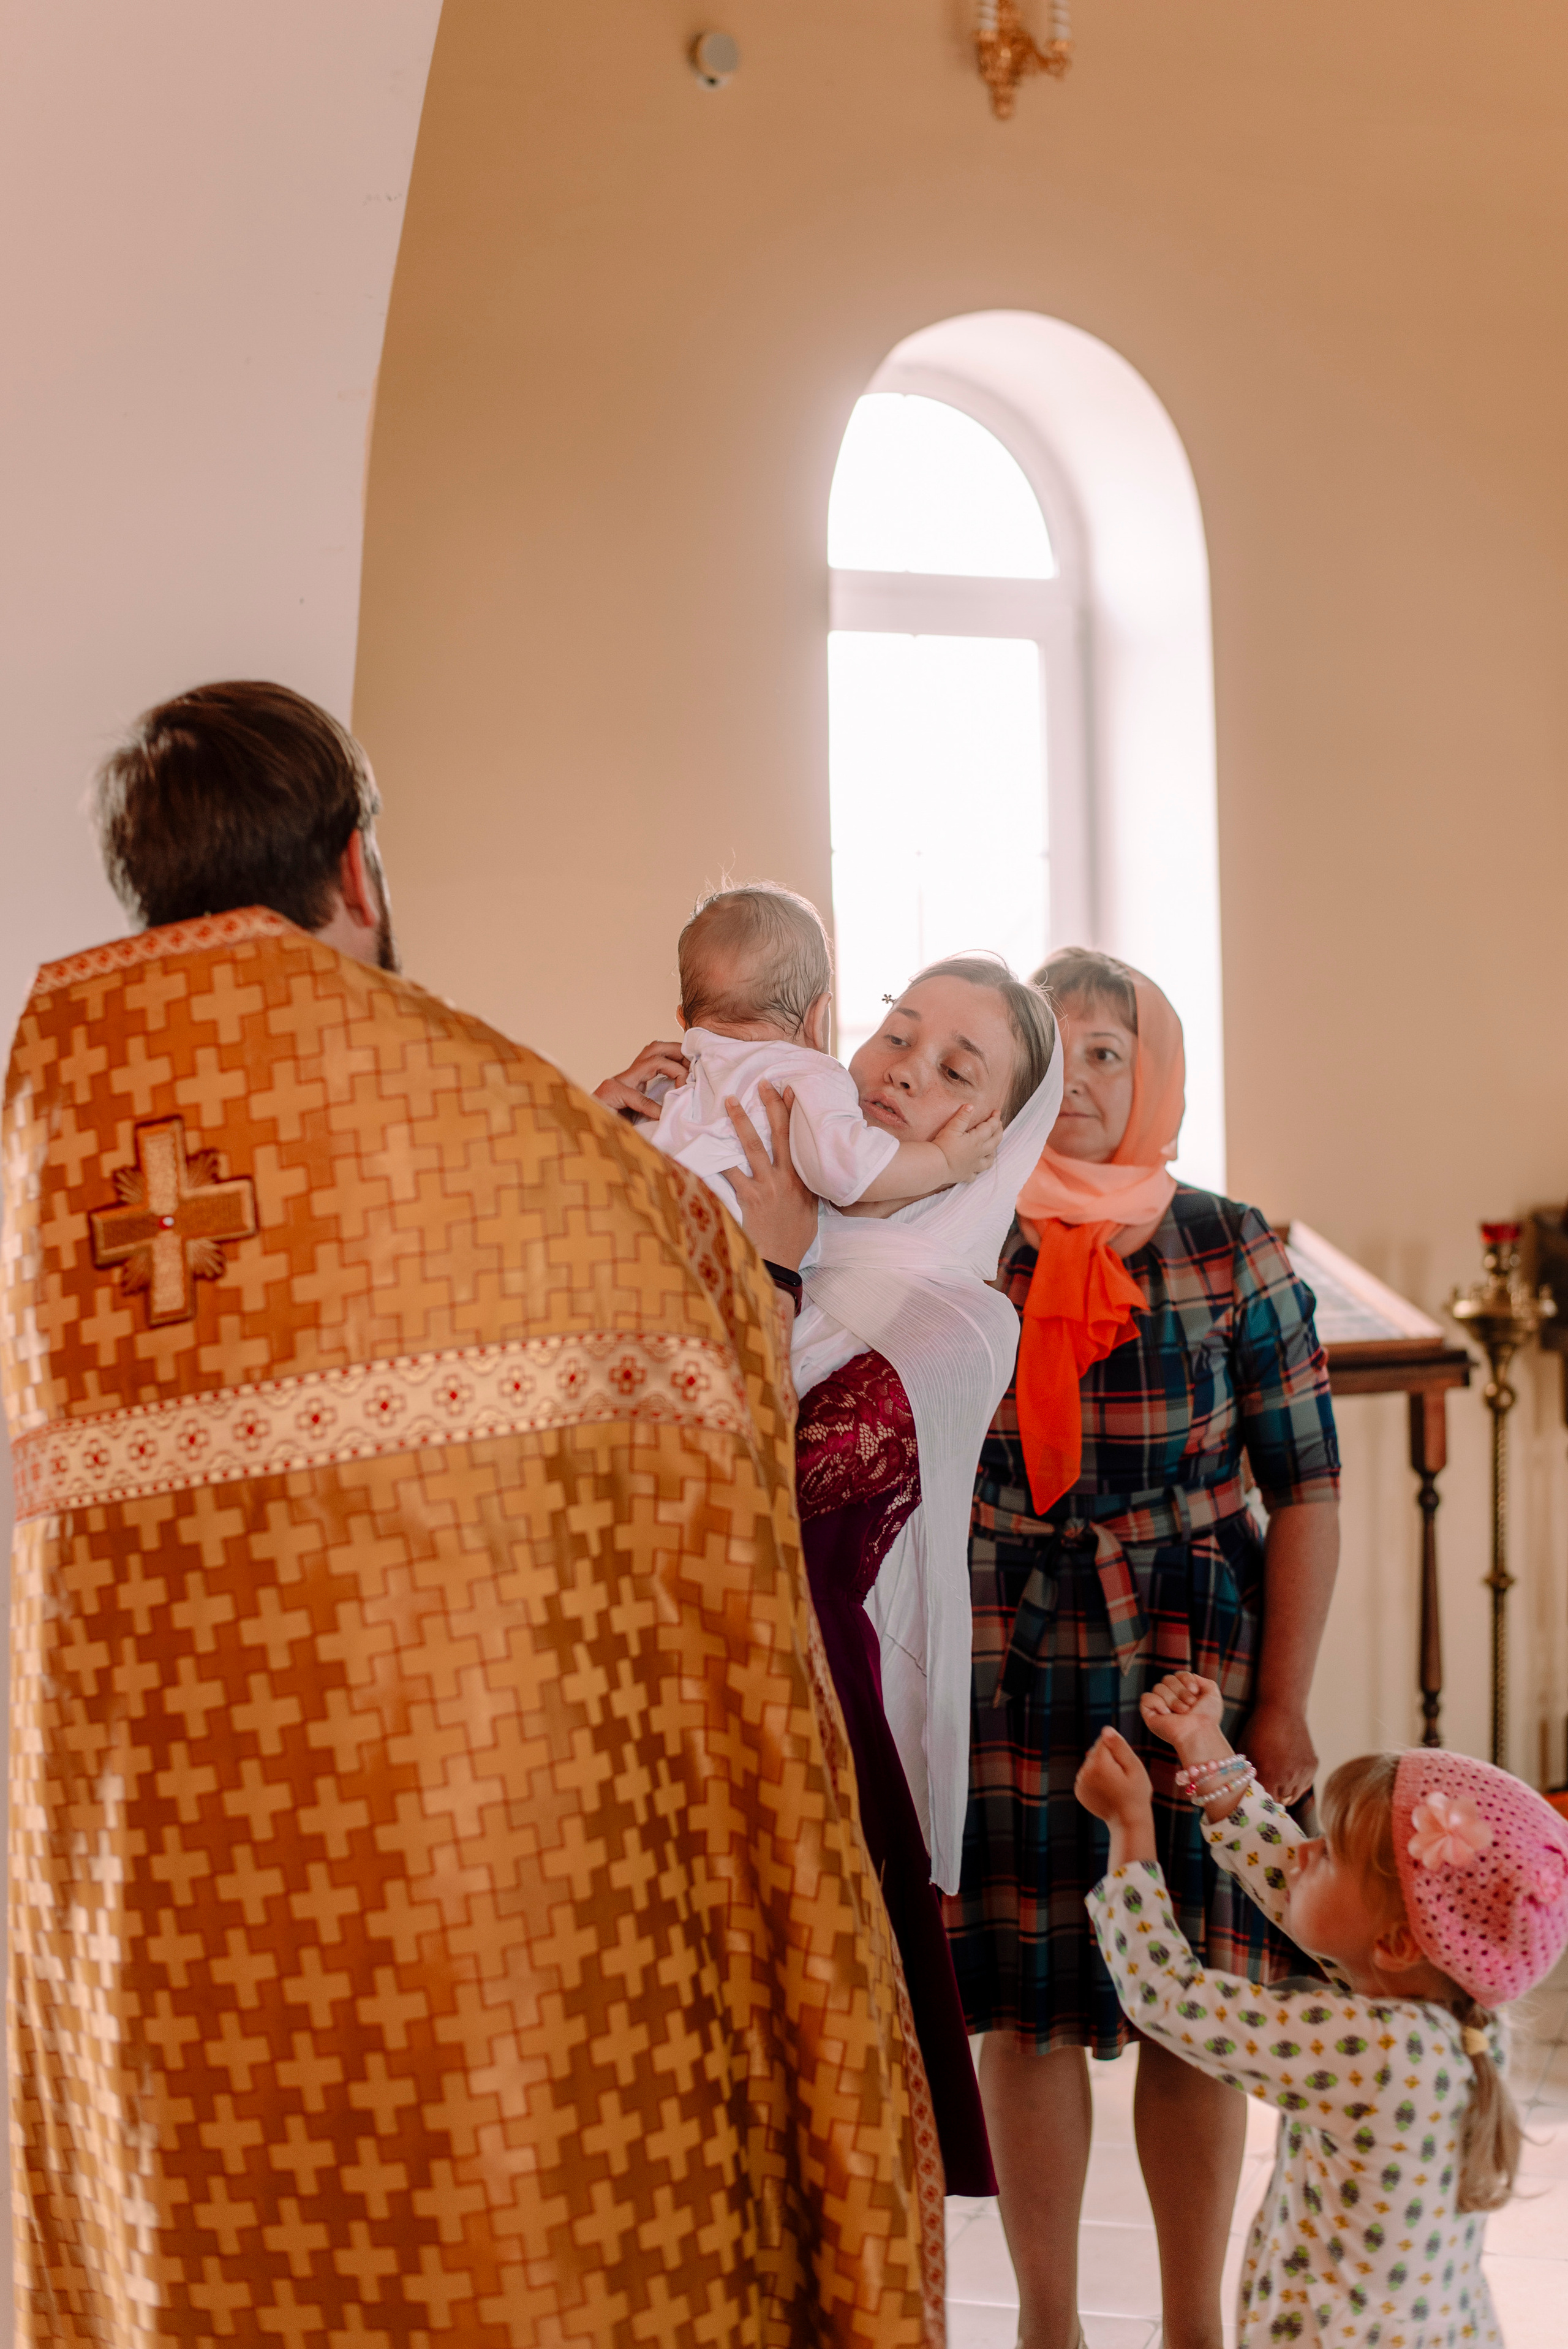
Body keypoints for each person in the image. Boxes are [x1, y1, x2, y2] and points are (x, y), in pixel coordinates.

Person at [2, 680, 944, 2347]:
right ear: (355, 869)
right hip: (455, 1905)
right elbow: (694, 1291)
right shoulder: (489, 1127)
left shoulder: (47, 1142)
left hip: (159, 1908)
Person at [946, 945, 1341, 2349]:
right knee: (1028, 1996)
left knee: (1197, 1998)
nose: (1080, 1077)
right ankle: (1044, 2319)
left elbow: (1304, 1483)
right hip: (1010, 1641)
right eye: (1052, 1049)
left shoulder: (1230, 1244)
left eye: (1107, 1048)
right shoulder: (955, 1227)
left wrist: (1278, 1704)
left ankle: (1192, 2323)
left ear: (1152, 1070)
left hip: (1192, 1656)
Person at [1077, 1667, 1568, 2348]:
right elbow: (1288, 1876)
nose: (1305, 1850)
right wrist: (1202, 1744)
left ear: (1397, 1941)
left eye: (1329, 1851)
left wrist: (1130, 1828)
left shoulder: (1366, 2048)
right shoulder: (1458, 2016)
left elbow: (1167, 1997)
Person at [791, 959, 1060, 2198]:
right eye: (896, 1034)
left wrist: (747, 1265)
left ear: (995, 1136)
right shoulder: (776, 1221)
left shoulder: (959, 1316)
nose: (903, 1068)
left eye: (956, 1069)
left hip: (827, 1743)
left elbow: (798, 1481)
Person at [595, 883, 1002, 1216]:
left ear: (685, 1019)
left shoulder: (670, 1086)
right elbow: (844, 1169)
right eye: (896, 1038)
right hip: (719, 1256)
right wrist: (945, 1162)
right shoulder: (808, 1074)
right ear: (817, 1017)